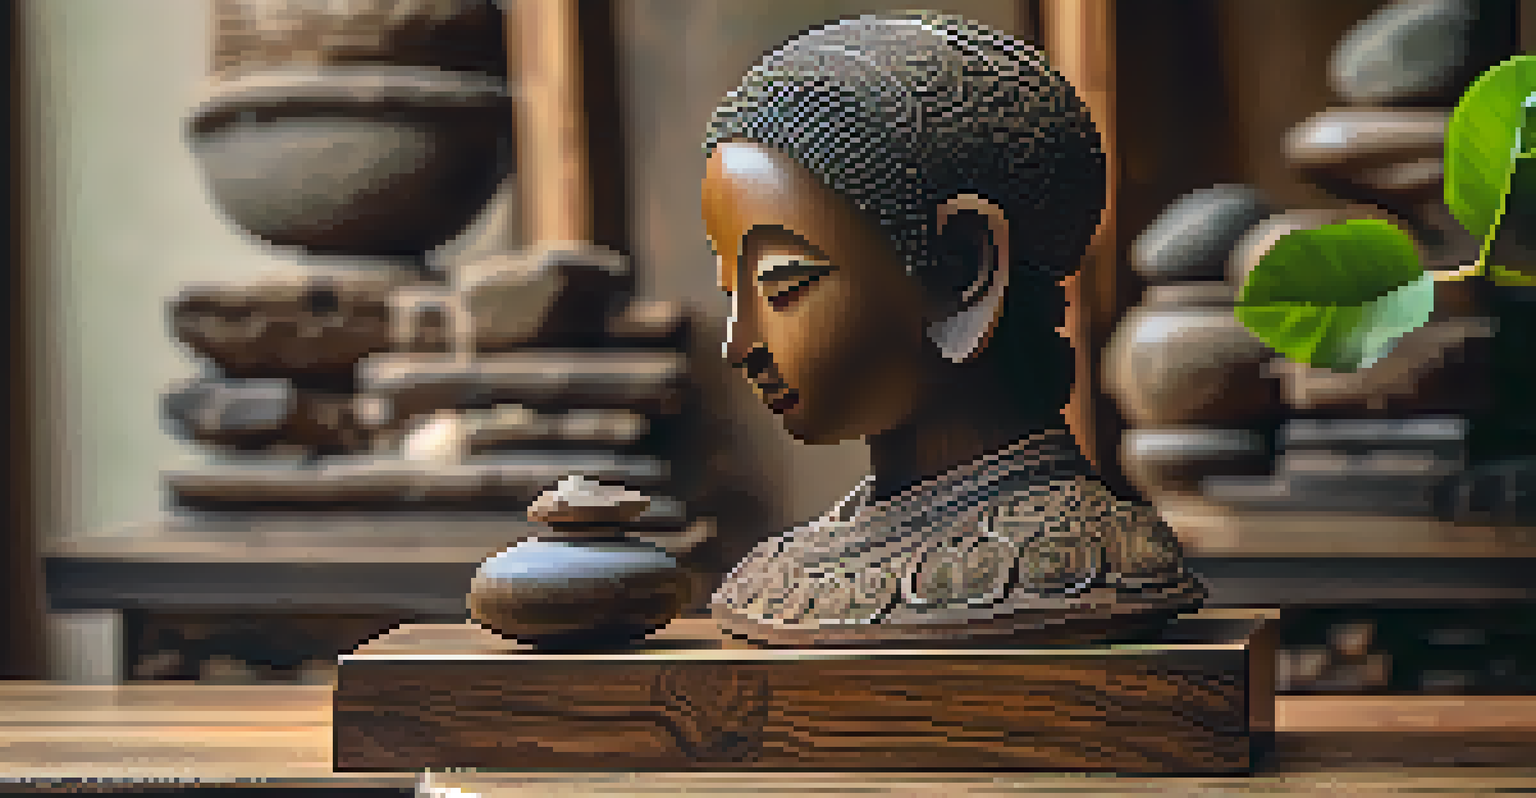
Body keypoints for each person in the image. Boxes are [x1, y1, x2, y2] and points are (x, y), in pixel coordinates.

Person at [699, 11, 1205, 647]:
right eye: (730, 292)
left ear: (963, 272)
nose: (738, 344)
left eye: (782, 285)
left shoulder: (1081, 566)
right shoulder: (789, 571)